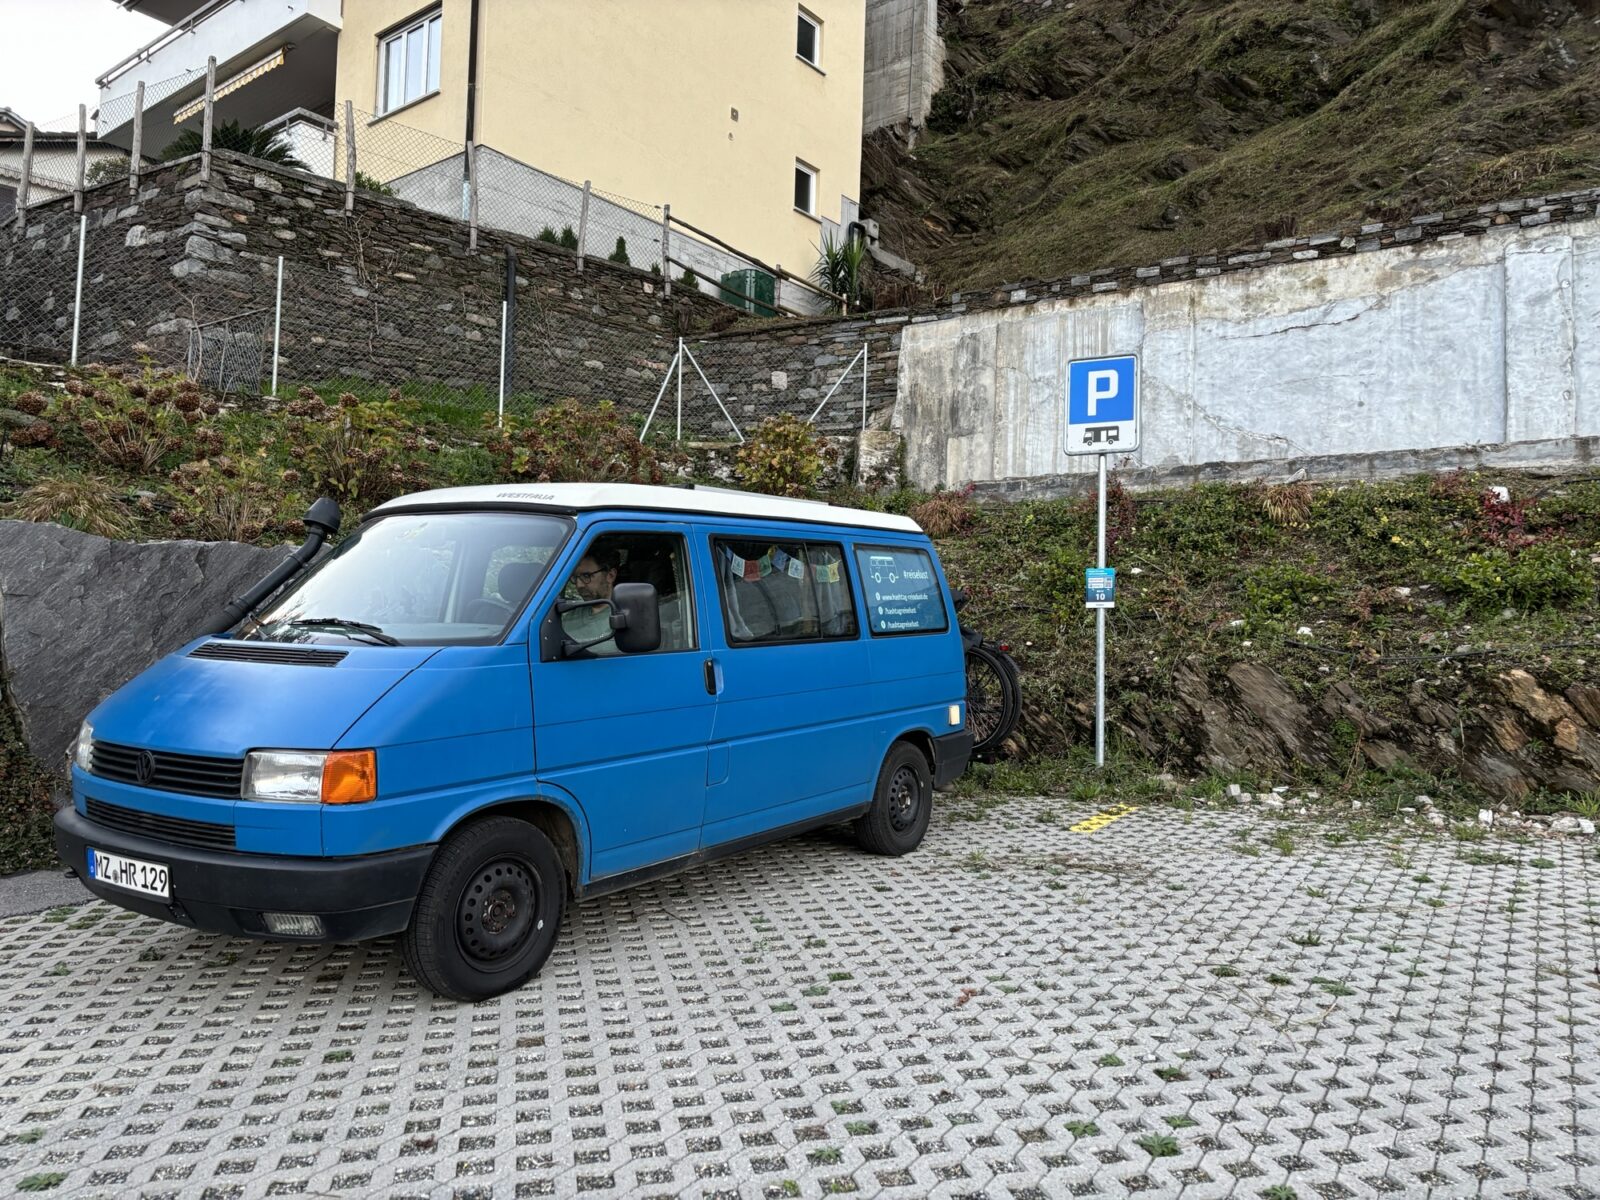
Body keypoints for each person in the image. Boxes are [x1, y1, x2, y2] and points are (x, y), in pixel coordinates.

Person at [561, 547, 621, 654]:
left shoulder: (625, 615)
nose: (579, 585)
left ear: (610, 576)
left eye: (586, 576)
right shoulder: (568, 615)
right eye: (575, 577)